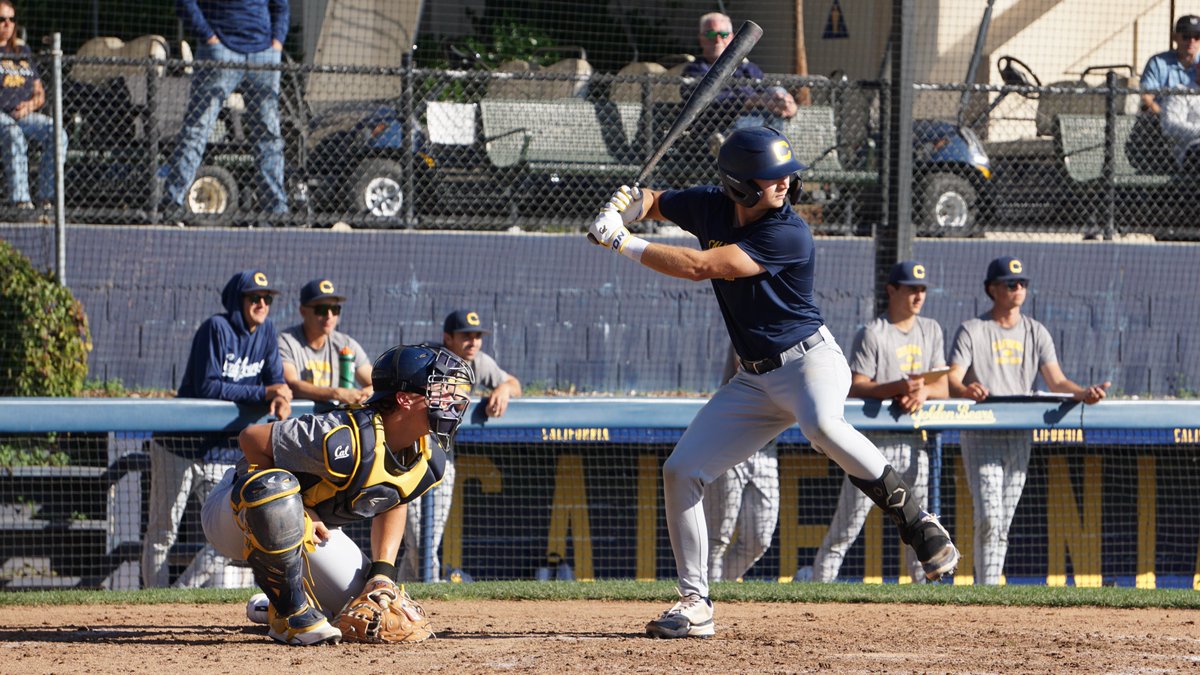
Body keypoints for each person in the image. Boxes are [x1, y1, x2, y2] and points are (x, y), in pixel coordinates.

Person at [587, 126, 960, 639]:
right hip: (754, 379)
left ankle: (917, 520)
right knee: (681, 471)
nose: (785, 185)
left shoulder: (787, 232)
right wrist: (631, 203)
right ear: (739, 186)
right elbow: (657, 200)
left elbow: (702, 267)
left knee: (822, 426)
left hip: (810, 363)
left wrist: (621, 239)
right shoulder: (710, 205)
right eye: (772, 178)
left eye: (787, 176)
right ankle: (696, 604)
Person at [201, 344, 475, 645]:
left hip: (309, 536)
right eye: (439, 391)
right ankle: (288, 617)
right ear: (404, 399)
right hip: (234, 514)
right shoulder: (343, 435)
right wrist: (300, 512)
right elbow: (251, 439)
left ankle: (273, 606)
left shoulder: (426, 455)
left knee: (366, 609)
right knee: (277, 491)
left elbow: (395, 498)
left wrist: (382, 574)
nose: (451, 400)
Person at [947, 256, 1110, 585]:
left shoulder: (1036, 331)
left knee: (1003, 516)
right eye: (1011, 283)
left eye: (1022, 284)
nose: (1018, 288)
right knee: (989, 514)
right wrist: (966, 389)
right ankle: (987, 588)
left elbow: (1057, 381)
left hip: (1020, 434)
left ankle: (989, 588)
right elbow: (952, 378)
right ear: (992, 289)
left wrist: (1083, 393)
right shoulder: (973, 329)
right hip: (982, 432)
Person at [142, 269, 293, 589]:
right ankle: (153, 598)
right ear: (239, 300)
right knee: (163, 530)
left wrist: (280, 394)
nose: (262, 304)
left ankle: (180, 592)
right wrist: (264, 394)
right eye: (255, 298)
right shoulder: (216, 328)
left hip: (222, 451)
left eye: (267, 298)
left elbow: (276, 382)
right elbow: (208, 387)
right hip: (179, 447)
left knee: (229, 530)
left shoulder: (267, 333)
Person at [802, 260, 948, 584]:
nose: (918, 295)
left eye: (922, 289)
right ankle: (819, 588)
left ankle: (925, 597)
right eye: (911, 288)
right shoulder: (873, 332)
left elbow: (943, 387)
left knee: (918, 524)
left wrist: (921, 392)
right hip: (873, 445)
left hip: (915, 441)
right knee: (847, 526)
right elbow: (857, 384)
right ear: (892, 290)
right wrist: (897, 387)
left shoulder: (932, 329)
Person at [398, 309, 522, 582]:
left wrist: (502, 389)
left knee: (425, 542)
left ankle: (406, 596)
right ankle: (429, 590)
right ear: (448, 338)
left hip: (442, 456)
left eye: (477, 336)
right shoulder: (427, 358)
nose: (473, 342)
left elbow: (514, 383)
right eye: (466, 335)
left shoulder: (479, 362)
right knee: (419, 539)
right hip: (407, 454)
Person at [161, 0, 289, 224]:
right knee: (201, 129)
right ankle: (172, 204)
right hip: (228, 51)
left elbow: (281, 6)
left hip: (258, 55)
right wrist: (210, 38)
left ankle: (277, 211)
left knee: (264, 135)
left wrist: (276, 44)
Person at [704, 345, 779, 583]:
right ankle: (702, 600)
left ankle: (718, 590)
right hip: (730, 439)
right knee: (717, 538)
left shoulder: (796, 326)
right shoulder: (750, 325)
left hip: (766, 447)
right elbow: (754, 370)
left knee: (759, 539)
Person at [683, 12, 797, 137]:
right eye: (711, 34)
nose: (717, 40)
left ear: (731, 37)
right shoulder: (695, 69)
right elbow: (711, 101)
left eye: (723, 34)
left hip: (757, 122)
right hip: (719, 126)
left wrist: (784, 101)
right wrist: (751, 100)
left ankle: (772, 141)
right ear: (701, 38)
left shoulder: (747, 68)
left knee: (778, 91)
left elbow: (765, 90)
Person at [0, 0, 66, 212]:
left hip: (24, 113)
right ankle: (21, 202)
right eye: (2, 19)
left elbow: (40, 93)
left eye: (12, 19)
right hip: (2, 115)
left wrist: (29, 106)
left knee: (57, 133)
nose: (7, 24)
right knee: (13, 133)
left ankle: (46, 197)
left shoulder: (23, 51)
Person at [278, 278, 373, 405]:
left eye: (335, 309)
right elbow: (292, 385)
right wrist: (337, 394)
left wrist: (364, 394)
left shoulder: (346, 344)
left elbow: (377, 384)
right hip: (298, 420)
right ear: (303, 311)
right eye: (321, 309)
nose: (329, 316)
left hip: (336, 421)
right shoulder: (286, 341)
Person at [1132, 15, 1200, 173]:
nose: (1191, 42)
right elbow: (1146, 96)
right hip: (1160, 129)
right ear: (1175, 37)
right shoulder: (1159, 62)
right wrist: (1165, 116)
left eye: (1197, 37)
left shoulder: (1199, 65)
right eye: (1186, 36)